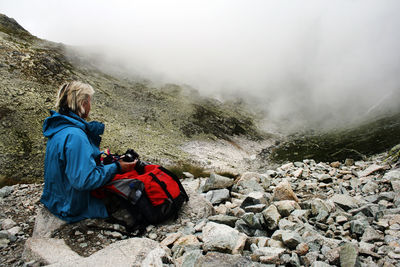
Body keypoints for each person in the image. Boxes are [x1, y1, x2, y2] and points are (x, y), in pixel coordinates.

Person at [41, 81, 136, 223]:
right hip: (71, 206)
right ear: (83, 103)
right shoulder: (76, 136)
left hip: (56, 199)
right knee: (134, 193)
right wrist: (117, 167)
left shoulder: (60, 128)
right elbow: (84, 181)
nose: (90, 106)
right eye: (89, 101)